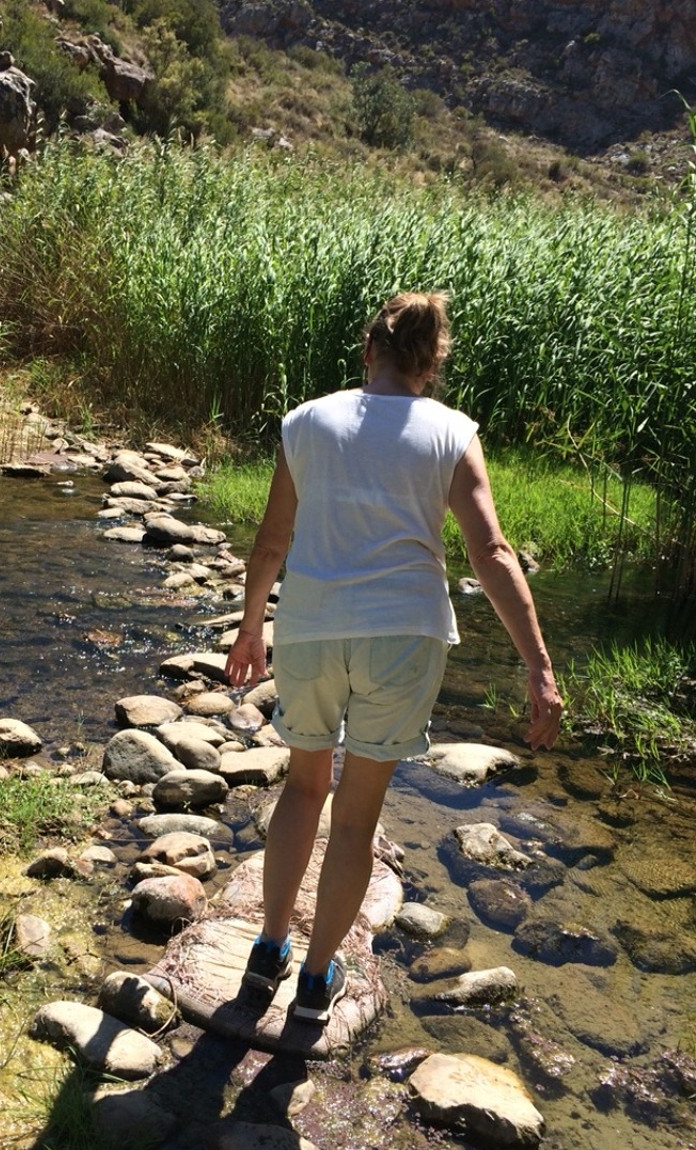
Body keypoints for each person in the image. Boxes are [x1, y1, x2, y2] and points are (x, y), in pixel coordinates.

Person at [224, 290, 562, 1025]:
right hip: (403, 636)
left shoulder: (307, 421)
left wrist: (250, 628)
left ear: (368, 349)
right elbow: (491, 552)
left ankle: (267, 951)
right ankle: (316, 982)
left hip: (311, 628)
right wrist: (538, 663)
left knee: (303, 788)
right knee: (355, 816)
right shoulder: (450, 431)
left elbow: (271, 542)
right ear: (431, 363)